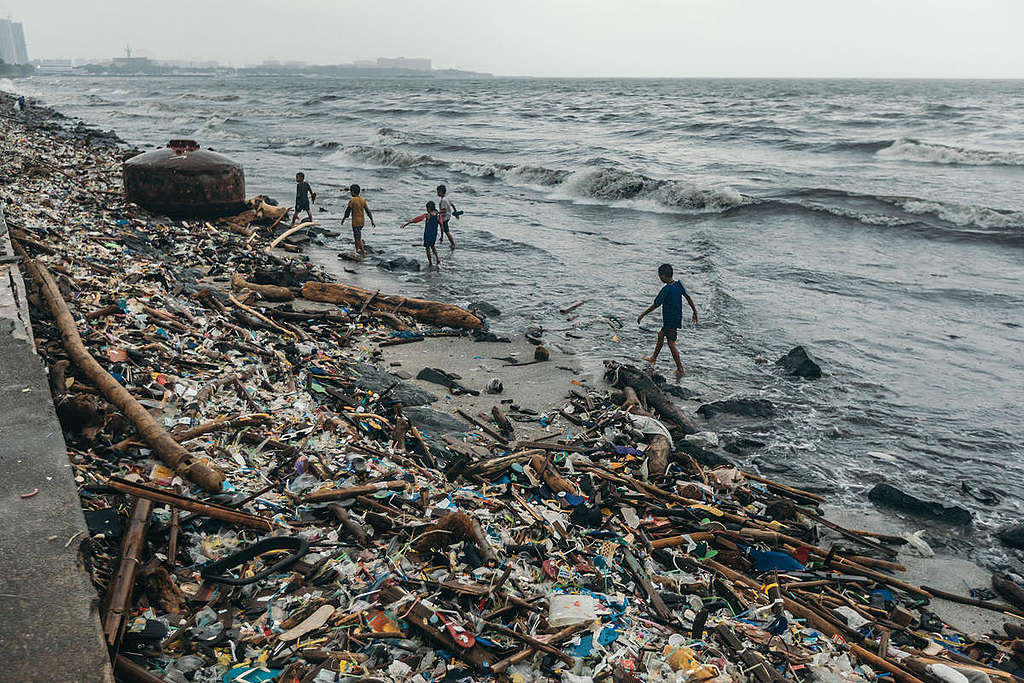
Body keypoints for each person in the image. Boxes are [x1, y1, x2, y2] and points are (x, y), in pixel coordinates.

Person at [636, 263, 698, 376]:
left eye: (660, 276)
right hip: (676, 317)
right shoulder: (679, 284)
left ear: (663, 276)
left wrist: (642, 314)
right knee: (660, 335)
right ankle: (653, 358)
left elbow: (656, 304)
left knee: (671, 343)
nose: (660, 278)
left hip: (670, 319)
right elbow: (688, 297)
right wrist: (694, 311)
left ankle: (680, 368)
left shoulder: (666, 289)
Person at [400, 200, 442, 268]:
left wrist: (406, 224)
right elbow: (441, 226)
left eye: (427, 208)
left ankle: (430, 263)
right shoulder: (438, 216)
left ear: (428, 208)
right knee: (433, 246)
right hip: (434, 234)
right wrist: (442, 236)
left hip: (427, 234)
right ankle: (437, 259)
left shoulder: (427, 215)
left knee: (427, 248)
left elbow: (416, 220)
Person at [341, 183, 375, 257]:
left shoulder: (352, 200)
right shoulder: (362, 200)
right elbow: (368, 211)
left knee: (358, 238)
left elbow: (347, 211)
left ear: (353, 192)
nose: (350, 193)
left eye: (350, 191)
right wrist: (372, 220)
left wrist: (344, 219)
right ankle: (356, 250)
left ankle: (363, 253)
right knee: (356, 236)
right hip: (362, 221)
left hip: (355, 222)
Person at [436, 184, 459, 250]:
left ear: (440, 192)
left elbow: (444, 210)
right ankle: (442, 238)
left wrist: (437, 213)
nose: (437, 193)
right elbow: (453, 205)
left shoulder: (443, 200)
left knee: (446, 231)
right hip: (448, 216)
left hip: (445, 217)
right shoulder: (447, 198)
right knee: (444, 228)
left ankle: (452, 244)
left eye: (437, 192)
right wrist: (456, 213)